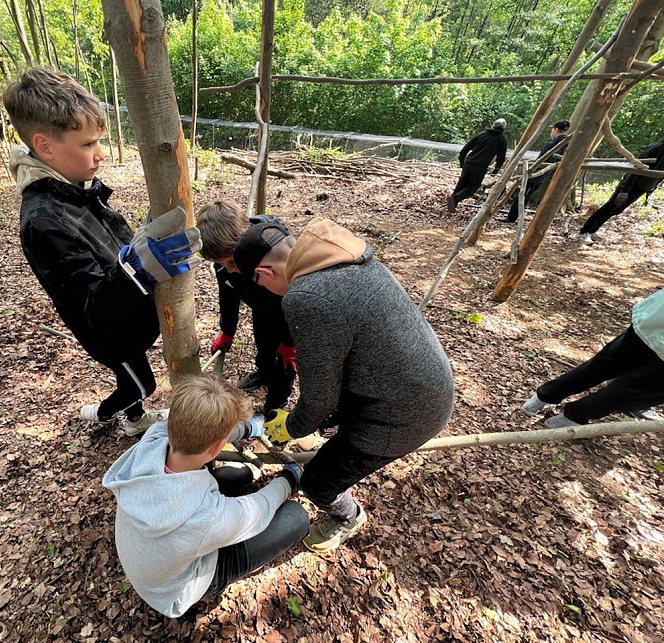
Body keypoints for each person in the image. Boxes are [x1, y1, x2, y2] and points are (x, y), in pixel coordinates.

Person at [233, 217, 454, 552]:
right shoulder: (341, 254)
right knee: (325, 433)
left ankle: (347, 518)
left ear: (264, 274)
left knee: (318, 483)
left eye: (260, 285)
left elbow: (319, 399)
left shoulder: (305, 298)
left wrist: (291, 426)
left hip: (406, 412)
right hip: (415, 381)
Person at [2, 68, 201, 437]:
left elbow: (107, 241)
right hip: (111, 334)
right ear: (45, 147)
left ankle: (127, 412)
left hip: (130, 318)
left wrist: (140, 236)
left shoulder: (75, 189)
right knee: (140, 385)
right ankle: (115, 415)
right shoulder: (43, 221)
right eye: (88, 144)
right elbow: (92, 306)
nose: (101, 153)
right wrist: (135, 269)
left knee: (135, 379)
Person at [103, 375, 309, 618]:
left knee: (238, 476)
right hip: (173, 592)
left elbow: (201, 434)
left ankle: (244, 478)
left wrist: (247, 429)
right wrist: (287, 480)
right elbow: (257, 510)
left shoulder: (155, 437)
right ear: (216, 448)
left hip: (150, 558)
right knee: (296, 517)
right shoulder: (205, 516)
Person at [521, 284, 664, 427]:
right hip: (658, 321)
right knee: (635, 388)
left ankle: (542, 398)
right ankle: (570, 416)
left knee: (607, 363)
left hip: (658, 318)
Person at [196, 200, 296, 411]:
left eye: (232, 262)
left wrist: (289, 342)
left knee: (284, 364)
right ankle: (263, 372)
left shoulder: (268, 249)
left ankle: (276, 402)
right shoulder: (226, 264)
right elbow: (228, 294)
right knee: (263, 341)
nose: (229, 269)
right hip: (261, 307)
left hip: (284, 312)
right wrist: (227, 331)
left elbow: (292, 297)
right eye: (221, 263)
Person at [576, 135, 664, 245]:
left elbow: (662, 172)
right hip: (631, 185)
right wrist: (624, 190)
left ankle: (592, 231)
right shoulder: (660, 147)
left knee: (616, 210)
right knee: (609, 208)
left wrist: (651, 189)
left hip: (642, 187)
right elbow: (636, 167)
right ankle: (583, 232)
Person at [500, 119, 571, 223]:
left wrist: (531, 170)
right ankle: (517, 215)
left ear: (555, 130)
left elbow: (541, 159)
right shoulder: (566, 144)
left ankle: (512, 217)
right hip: (545, 174)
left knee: (522, 195)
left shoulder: (551, 144)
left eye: (552, 130)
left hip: (536, 174)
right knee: (526, 195)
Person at [447, 118, 507, 212]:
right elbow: (501, 157)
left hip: (469, 162)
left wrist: (462, 162)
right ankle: (454, 199)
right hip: (480, 167)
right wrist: (496, 169)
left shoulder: (482, 134)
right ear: (503, 129)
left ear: (493, 125)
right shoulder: (501, 139)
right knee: (472, 188)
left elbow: (465, 149)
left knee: (461, 184)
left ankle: (453, 204)